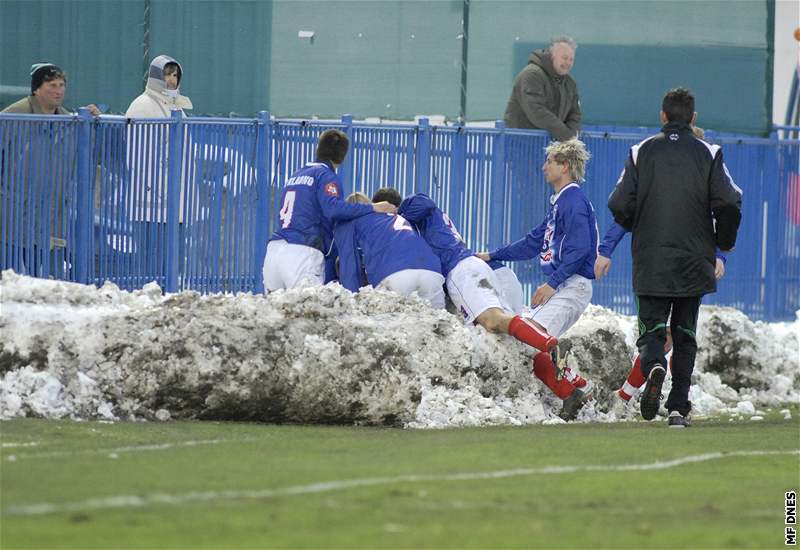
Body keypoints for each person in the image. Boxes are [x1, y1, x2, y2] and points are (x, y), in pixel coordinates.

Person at [607, 87, 742, 427]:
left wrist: (633, 221)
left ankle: (654, 364)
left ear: (662, 116)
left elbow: (619, 202)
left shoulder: (641, 152)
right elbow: (729, 200)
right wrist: (723, 243)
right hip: (693, 259)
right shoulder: (709, 153)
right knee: (684, 334)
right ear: (693, 118)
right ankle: (678, 407)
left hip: (651, 257)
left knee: (651, 330)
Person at [477, 139, 598, 419]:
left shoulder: (574, 201)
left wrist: (552, 283)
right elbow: (534, 242)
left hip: (572, 285)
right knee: (528, 338)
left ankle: (574, 392)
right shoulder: (560, 201)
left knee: (531, 340)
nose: (544, 167)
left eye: (550, 162)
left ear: (565, 166)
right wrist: (493, 255)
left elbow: (581, 249)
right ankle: (579, 387)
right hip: (564, 284)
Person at [594, 220, 729, 413]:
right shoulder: (702, 190)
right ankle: (676, 402)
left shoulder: (647, 189)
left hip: (654, 270)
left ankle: (628, 393)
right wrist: (720, 255)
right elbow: (724, 213)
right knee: (678, 338)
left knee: (659, 340)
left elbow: (624, 211)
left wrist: (605, 250)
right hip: (691, 269)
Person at [263, 129, 396, 292]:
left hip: (274, 251)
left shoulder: (295, 176)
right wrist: (373, 207)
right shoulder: (325, 175)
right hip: (302, 252)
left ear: (317, 149)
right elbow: (333, 208)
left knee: (275, 314)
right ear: (342, 156)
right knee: (311, 312)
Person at [333, 190, 444, 307]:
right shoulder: (391, 216)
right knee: (438, 323)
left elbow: (349, 266)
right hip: (432, 272)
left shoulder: (349, 222)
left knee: (391, 323)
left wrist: (352, 302)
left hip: (394, 273)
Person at [503, 36, 581, 141]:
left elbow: (575, 114)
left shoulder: (570, 84)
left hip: (551, 145)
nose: (568, 63)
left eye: (571, 59)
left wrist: (571, 139)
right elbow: (536, 110)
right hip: (520, 143)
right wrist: (566, 136)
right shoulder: (532, 75)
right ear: (552, 56)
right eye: (564, 57)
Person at [2, 63, 100, 116]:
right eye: (52, 85)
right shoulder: (15, 113)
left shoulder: (65, 117)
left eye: (61, 85)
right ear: (36, 90)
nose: (59, 91)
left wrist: (91, 123)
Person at [126, 55, 192, 118]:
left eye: (175, 75)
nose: (172, 79)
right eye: (167, 74)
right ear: (156, 76)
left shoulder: (176, 106)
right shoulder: (141, 104)